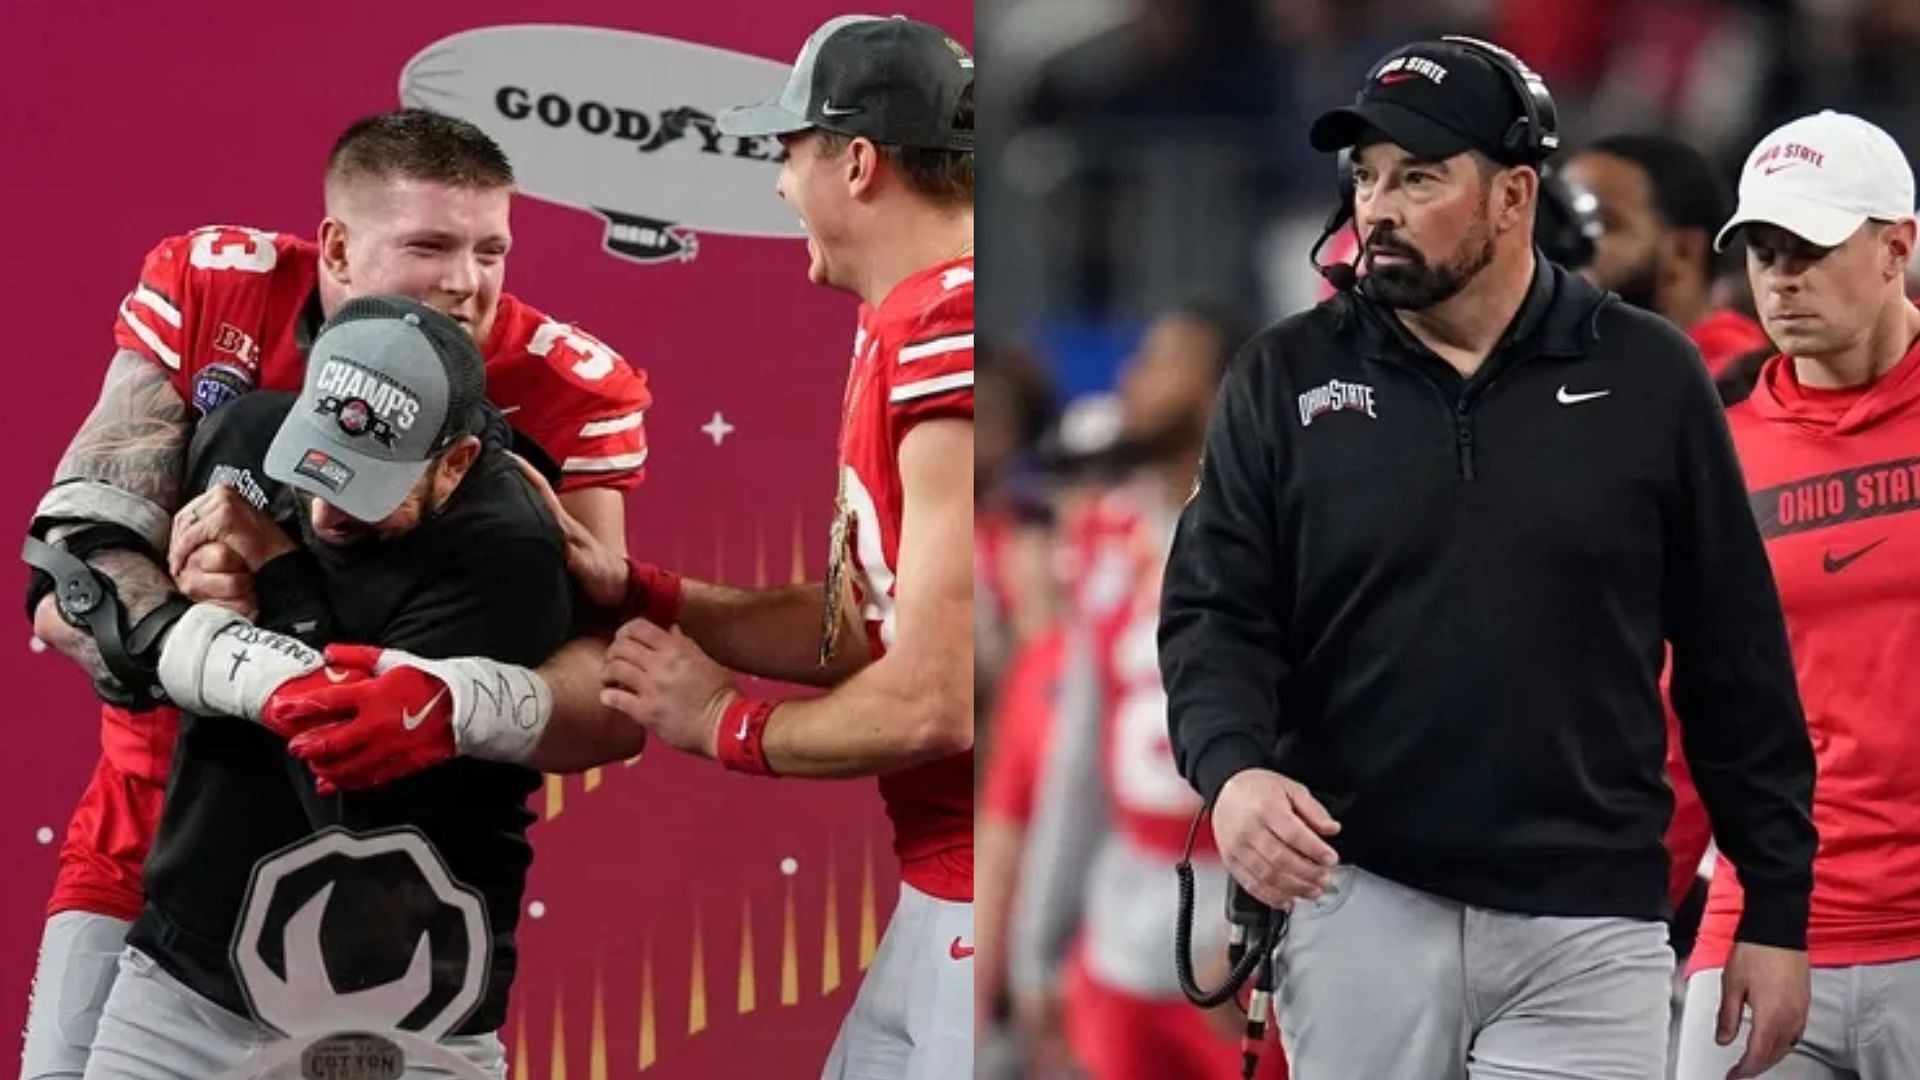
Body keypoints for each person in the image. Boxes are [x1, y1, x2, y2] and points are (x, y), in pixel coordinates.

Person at [303, 15, 977, 1080]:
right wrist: (647, 591)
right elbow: (871, 636)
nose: (778, 187)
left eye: (787, 154)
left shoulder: (947, 328)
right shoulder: (911, 320)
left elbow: (938, 699)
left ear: (856, 161)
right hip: (946, 889)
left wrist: (724, 723)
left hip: (989, 893)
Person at [1158, 36, 1818, 1080]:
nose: (1378, 207)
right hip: (1360, 892)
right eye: (1367, 176)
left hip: (1589, 920)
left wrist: (1776, 911)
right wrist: (1233, 774)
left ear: (1515, 195)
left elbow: (1738, 658)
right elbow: (1213, 615)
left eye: (1419, 177)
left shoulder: (1651, 376)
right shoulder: (1283, 377)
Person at [21, 109, 650, 1080]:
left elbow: (609, 699)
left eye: (492, 250)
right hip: (160, 810)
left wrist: (444, 700)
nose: (467, 283)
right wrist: (212, 616)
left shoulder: (561, 398)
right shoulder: (219, 297)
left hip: (381, 862)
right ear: (341, 249)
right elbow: (73, 581)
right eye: (431, 246)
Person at [84, 296, 588, 1079]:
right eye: (313, 464)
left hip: (405, 1002)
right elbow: (92, 615)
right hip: (184, 971)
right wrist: (185, 589)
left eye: (367, 487)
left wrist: (277, 575)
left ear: (453, 462)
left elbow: (351, 790)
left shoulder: (508, 550)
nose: (327, 508)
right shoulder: (248, 437)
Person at [1674, 110, 1920, 1080]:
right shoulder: (1716, 447)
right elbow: (1672, 702)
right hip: (1764, 923)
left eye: (1811, 247)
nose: (1782, 276)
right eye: (1765, 250)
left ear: (1898, 245)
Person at [1009, 304, 1291, 1080]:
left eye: (1163, 362)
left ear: (1217, 391)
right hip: (1119, 929)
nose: (1132, 380)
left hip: (1239, 938)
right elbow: (1079, 756)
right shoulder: (1105, 533)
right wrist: (1038, 944)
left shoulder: (1280, 537)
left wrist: (1261, 923)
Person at [1560, 133, 1770, 376]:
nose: (1568, 243)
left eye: (1603, 224)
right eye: (1564, 222)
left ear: (1684, 251)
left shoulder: (1740, 382)